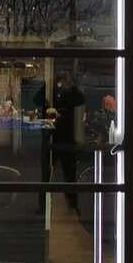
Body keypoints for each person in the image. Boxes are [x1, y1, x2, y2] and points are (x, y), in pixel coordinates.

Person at [50, 70, 86, 213]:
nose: (61, 83)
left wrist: (72, 85)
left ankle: (72, 203)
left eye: (63, 80)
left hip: (64, 138)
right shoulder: (51, 92)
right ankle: (44, 204)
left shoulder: (70, 93)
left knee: (69, 173)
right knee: (50, 172)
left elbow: (81, 98)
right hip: (54, 137)